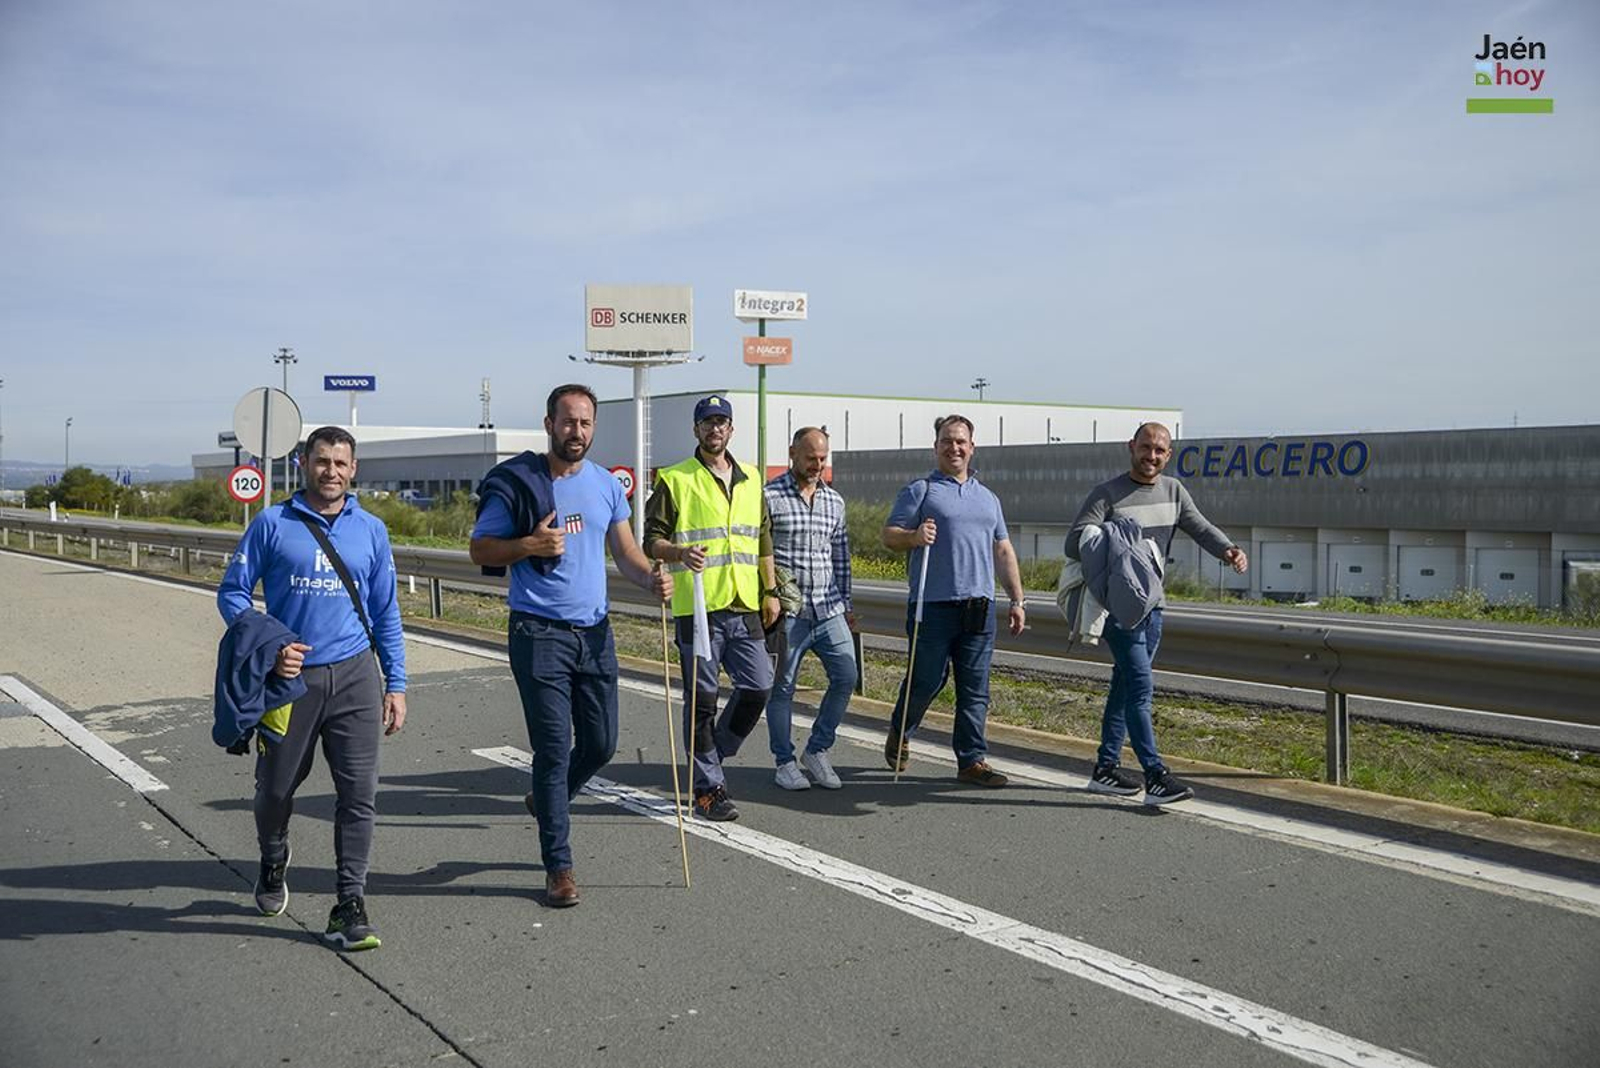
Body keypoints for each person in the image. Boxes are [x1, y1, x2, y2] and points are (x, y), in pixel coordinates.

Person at [469, 384, 670, 908]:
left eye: (585, 422)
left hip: (596, 634)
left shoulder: (606, 485)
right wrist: (529, 545)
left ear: (593, 427)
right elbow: (480, 549)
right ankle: (558, 867)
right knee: (554, 750)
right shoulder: (520, 483)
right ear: (548, 424)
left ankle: (547, 798)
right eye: (567, 421)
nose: (576, 431)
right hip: (539, 635)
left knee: (601, 744)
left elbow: (625, 553)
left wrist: (650, 580)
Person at [217, 425, 407, 951]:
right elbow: (233, 594)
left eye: (341, 463)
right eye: (322, 461)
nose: (332, 472)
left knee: (359, 795)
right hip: (289, 683)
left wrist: (396, 683)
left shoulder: (371, 530)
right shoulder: (273, 523)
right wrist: (270, 644)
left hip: (355, 676)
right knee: (275, 791)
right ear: (304, 464)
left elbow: (386, 612)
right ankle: (273, 856)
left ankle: (349, 903)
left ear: (354, 469)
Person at [1066, 421, 1249, 805]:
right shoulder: (1107, 494)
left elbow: (1200, 527)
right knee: (1140, 688)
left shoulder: (1174, 490)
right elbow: (1074, 542)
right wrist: (1117, 538)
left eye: (1159, 450)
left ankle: (1105, 769)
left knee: (1125, 685)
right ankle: (1156, 775)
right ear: (1131, 447)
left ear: (1169, 454)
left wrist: (1228, 550)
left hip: (1154, 606)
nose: (1151, 456)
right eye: (1145, 447)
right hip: (1119, 609)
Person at [644, 394, 777, 821]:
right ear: (696, 430)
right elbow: (651, 540)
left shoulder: (752, 478)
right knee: (702, 700)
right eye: (707, 422)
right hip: (698, 608)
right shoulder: (675, 478)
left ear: (731, 429)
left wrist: (771, 591)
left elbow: (763, 538)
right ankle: (707, 789)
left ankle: (712, 753)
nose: (714, 428)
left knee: (759, 686)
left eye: (721, 422)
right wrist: (679, 553)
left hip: (744, 603)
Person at [880, 414, 1025, 787]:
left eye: (961, 441)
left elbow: (1003, 549)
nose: (954, 447)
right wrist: (914, 537)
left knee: (975, 689)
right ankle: (901, 728)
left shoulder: (988, 498)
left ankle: (971, 761)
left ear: (972, 447)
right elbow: (890, 536)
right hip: (932, 606)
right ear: (936, 447)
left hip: (979, 607)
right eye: (947, 441)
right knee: (927, 680)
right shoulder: (921, 491)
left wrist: (1017, 599)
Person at [763, 427, 856, 791]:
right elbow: (759, 554)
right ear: (792, 454)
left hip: (829, 609)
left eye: (822, 459)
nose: (817, 465)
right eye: (810, 458)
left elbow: (841, 557)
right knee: (782, 688)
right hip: (790, 614)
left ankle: (817, 750)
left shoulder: (835, 502)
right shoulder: (769, 497)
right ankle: (784, 762)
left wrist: (847, 604)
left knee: (846, 677)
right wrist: (768, 596)